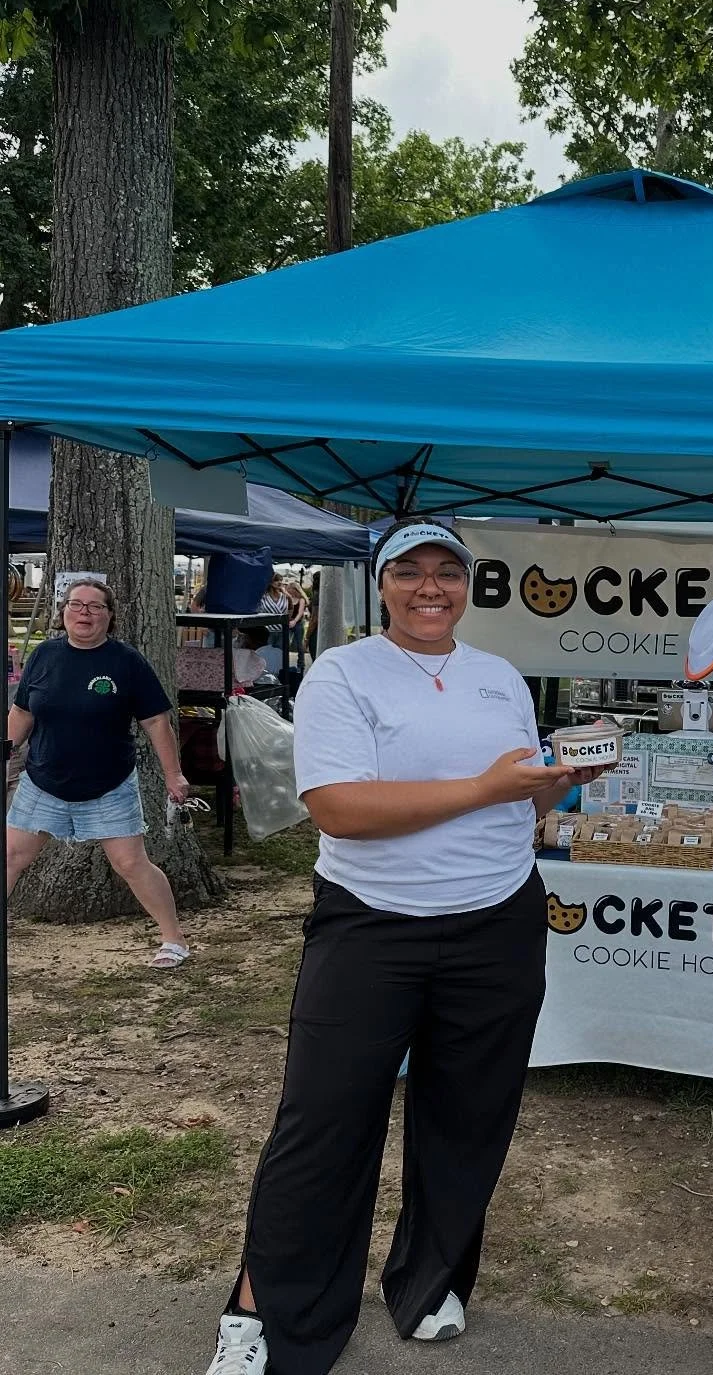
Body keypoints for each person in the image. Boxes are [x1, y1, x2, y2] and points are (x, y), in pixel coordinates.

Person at [204, 518, 607, 1375]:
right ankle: (266, 1311)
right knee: (324, 1119)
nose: (432, 588)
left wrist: (551, 785)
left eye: (447, 573)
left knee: (467, 1114)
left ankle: (429, 1281)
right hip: (371, 923)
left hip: (496, 920)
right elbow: (341, 808)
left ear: (469, 584)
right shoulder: (345, 673)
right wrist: (486, 786)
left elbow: (518, 805)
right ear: (382, 583)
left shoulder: (499, 678)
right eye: (411, 572)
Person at [5, 579, 192, 969]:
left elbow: (157, 722)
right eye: (76, 605)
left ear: (110, 616)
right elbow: (22, 712)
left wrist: (173, 775)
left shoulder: (127, 661)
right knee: (9, 856)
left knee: (130, 864)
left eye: (95, 607)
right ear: (63, 613)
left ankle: (174, 940)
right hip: (43, 782)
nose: (84, 613)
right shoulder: (44, 655)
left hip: (109, 785)